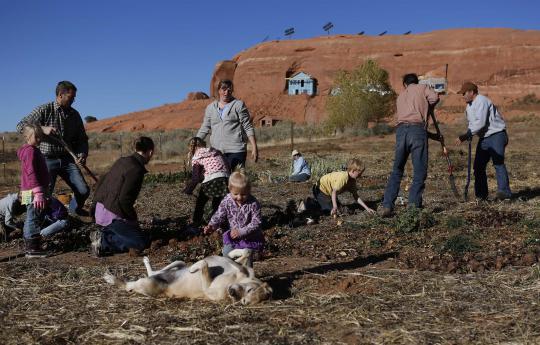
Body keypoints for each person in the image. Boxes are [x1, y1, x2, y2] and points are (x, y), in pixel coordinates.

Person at [16, 81, 90, 216]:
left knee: (83, 190)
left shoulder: (75, 115)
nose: (73, 100)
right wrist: (42, 129)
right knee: (43, 193)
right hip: (46, 159)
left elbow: (82, 139)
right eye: (71, 97)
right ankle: (44, 220)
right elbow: (21, 125)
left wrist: (82, 153)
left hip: (67, 159)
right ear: (60, 95)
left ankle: (74, 211)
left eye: (74, 97)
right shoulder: (44, 110)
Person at [379, 73, 441, 217]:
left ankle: (387, 205)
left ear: (405, 84)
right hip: (417, 130)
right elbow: (435, 97)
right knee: (419, 171)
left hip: (401, 132)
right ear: (416, 82)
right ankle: (413, 207)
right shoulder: (422, 87)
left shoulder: (400, 96)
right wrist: (428, 105)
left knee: (397, 170)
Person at [90, 137, 154, 257]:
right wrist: (133, 220)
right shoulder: (136, 169)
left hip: (100, 208)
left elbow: (102, 180)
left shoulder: (122, 161)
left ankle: (105, 232)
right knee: (140, 242)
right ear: (150, 152)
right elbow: (124, 200)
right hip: (112, 214)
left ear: (135, 148)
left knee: (139, 235)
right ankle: (103, 242)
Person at [455, 82, 511, 200]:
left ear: (471, 92)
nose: (463, 96)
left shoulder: (482, 101)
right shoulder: (469, 106)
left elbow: (480, 123)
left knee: (498, 163)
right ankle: (481, 195)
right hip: (484, 138)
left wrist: (465, 136)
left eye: (464, 93)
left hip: (496, 135)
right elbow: (472, 124)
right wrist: (470, 132)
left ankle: (504, 194)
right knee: (478, 167)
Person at [203, 171, 264, 267]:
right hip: (233, 237)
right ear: (229, 189)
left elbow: (256, 222)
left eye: (244, 194)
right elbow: (219, 215)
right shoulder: (227, 201)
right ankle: (232, 275)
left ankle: (247, 278)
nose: (239, 197)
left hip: (249, 238)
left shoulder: (253, 203)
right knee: (227, 254)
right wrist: (212, 225)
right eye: (235, 194)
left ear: (249, 191)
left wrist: (241, 231)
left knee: (246, 257)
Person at [196, 79, 258, 170]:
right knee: (220, 181)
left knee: (236, 181)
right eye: (223, 89)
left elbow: (247, 126)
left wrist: (254, 147)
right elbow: (204, 128)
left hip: (236, 150)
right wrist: (195, 142)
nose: (226, 93)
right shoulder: (210, 108)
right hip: (216, 152)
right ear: (219, 91)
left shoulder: (238, 105)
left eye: (229, 90)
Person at [17, 123, 50, 258]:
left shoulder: (27, 150)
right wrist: (38, 192)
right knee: (33, 217)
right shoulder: (30, 151)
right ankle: (32, 248)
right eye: (36, 137)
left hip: (26, 191)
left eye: (40, 137)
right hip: (33, 191)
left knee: (29, 216)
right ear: (27, 136)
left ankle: (30, 245)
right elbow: (31, 172)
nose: (39, 139)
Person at [183, 137, 230, 228]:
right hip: (225, 179)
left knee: (201, 202)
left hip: (211, 180)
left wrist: (188, 189)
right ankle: (219, 225)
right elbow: (226, 165)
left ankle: (196, 223)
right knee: (218, 203)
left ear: (192, 148)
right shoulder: (215, 151)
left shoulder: (197, 156)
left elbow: (195, 178)